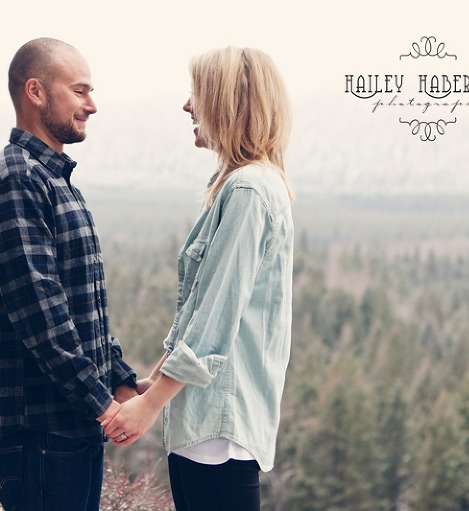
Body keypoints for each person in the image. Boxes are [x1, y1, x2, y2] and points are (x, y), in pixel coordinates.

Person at [102, 46, 294, 511]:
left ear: (228, 103)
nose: (187, 105)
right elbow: (201, 310)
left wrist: (148, 407)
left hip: (218, 426)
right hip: (206, 420)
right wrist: (152, 384)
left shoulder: (248, 191)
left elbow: (212, 323)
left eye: (198, 93)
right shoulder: (244, 185)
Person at [0, 37, 138, 511]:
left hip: (67, 426)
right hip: (38, 434)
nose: (93, 105)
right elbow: (42, 318)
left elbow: (80, 306)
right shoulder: (16, 180)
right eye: (80, 91)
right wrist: (103, 405)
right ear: (36, 92)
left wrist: (119, 378)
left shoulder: (52, 178)